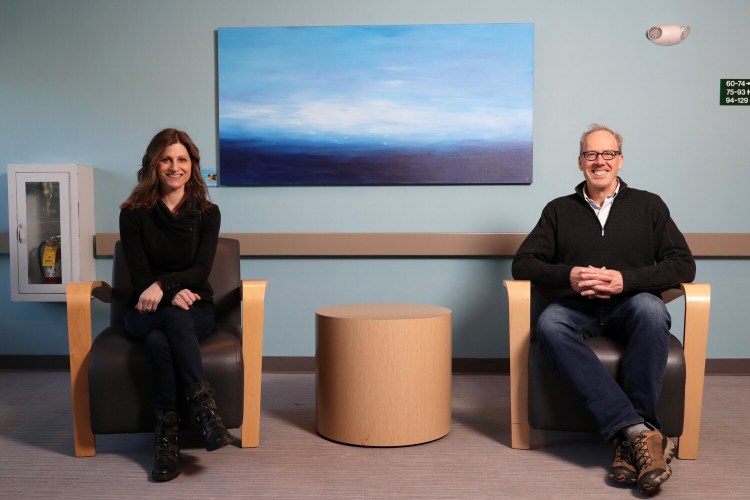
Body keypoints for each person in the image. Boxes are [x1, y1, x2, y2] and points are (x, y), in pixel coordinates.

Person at [512, 124, 695, 494]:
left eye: (608, 154)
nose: (600, 161)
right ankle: (637, 433)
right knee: (549, 323)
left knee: (652, 311)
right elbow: (523, 264)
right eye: (591, 154)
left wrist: (625, 281)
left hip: (631, 304)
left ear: (620, 160)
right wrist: (571, 275)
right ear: (580, 162)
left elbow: (683, 265)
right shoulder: (558, 210)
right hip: (577, 309)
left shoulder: (650, 205)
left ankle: (629, 438)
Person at [119, 128, 233, 482]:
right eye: (166, 159)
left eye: (182, 159)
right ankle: (205, 413)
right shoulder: (133, 213)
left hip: (195, 308)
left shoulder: (207, 213)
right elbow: (139, 277)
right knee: (168, 320)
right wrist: (164, 293)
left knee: (160, 341)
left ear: (192, 165)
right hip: (144, 309)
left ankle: (166, 441)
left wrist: (166, 286)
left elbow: (200, 272)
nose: (174, 166)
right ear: (154, 164)